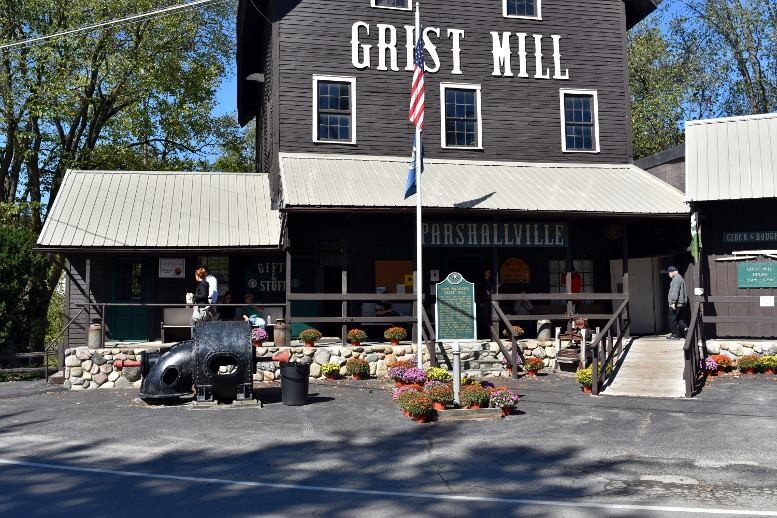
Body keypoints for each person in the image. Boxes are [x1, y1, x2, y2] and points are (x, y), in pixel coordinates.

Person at [667, 266, 688, 339]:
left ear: (672, 272)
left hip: (676, 304)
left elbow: (675, 291)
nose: (669, 275)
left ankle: (674, 335)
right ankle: (686, 330)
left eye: (669, 273)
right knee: (679, 319)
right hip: (679, 304)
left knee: (672, 319)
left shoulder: (676, 279)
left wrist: (673, 303)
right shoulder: (679, 278)